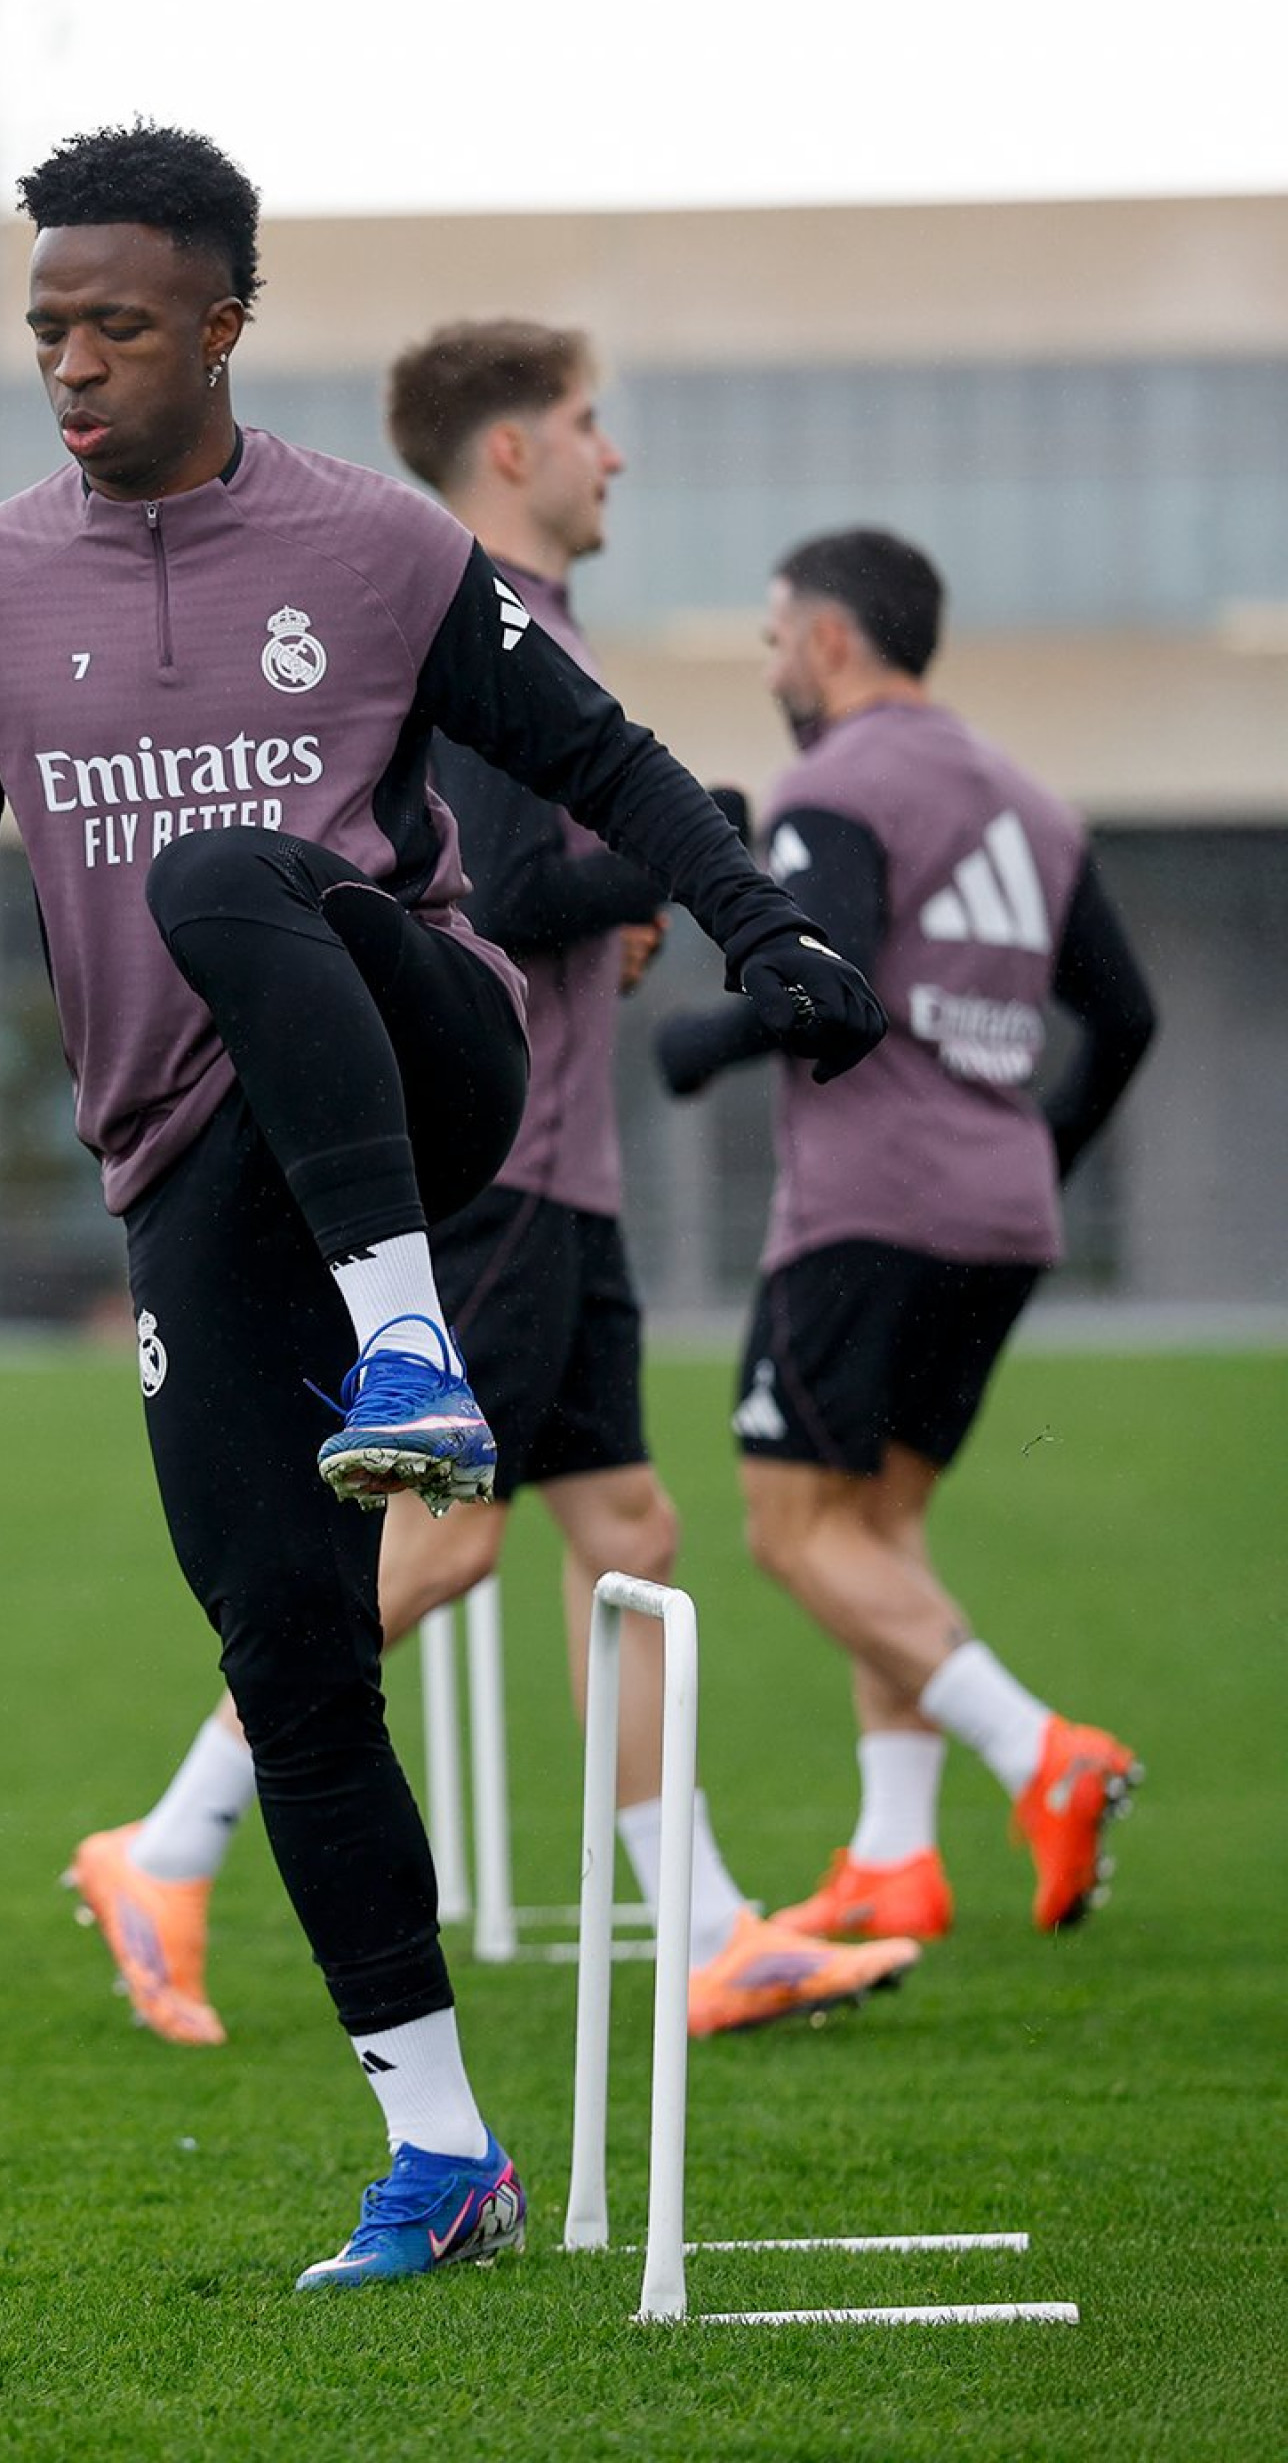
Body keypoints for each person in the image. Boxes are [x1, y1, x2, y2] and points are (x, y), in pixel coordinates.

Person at [0, 124, 885, 2293]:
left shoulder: (380, 546)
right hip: (186, 1174)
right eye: (47, 326)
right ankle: (444, 2150)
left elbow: (608, 763)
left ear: (224, 320)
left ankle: (409, 1330)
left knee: (227, 872)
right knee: (290, 1651)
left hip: (431, 1057)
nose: (74, 361)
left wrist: (765, 925)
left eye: (117, 321)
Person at [68, 320, 919, 2055]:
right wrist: (676, 854)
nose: (620, 457)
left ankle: (704, 1928)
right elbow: (500, 883)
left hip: (575, 1169)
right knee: (438, 1553)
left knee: (630, 1534)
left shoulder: (552, 627)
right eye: (594, 426)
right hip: (498, 1165)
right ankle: (165, 1843)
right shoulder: (450, 617)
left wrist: (665, 880)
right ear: (512, 454)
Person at [654, 527, 1157, 1944]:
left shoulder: (837, 783)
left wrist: (695, 1040)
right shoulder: (1032, 802)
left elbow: (829, 980)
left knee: (791, 1531)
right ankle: (892, 1857)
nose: (769, 669)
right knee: (880, 1529)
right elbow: (1128, 1019)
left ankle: (1039, 1754)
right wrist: (1028, 1153)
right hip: (999, 1212)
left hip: (873, 1203)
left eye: (770, 640)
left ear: (826, 639)